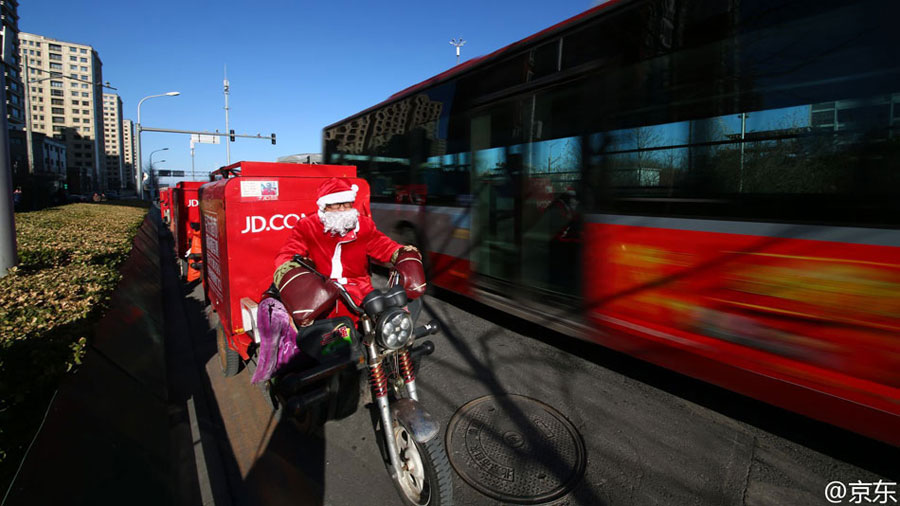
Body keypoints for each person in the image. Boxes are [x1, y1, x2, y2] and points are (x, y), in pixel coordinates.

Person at [252, 177, 426, 384]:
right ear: (325, 205)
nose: (344, 209)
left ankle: (385, 373)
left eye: (347, 204)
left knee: (387, 331)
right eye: (338, 204)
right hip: (326, 295)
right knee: (335, 350)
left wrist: (400, 253)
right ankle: (329, 381)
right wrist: (292, 273)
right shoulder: (308, 226)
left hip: (362, 292)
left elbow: (382, 245)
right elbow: (287, 255)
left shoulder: (363, 225)